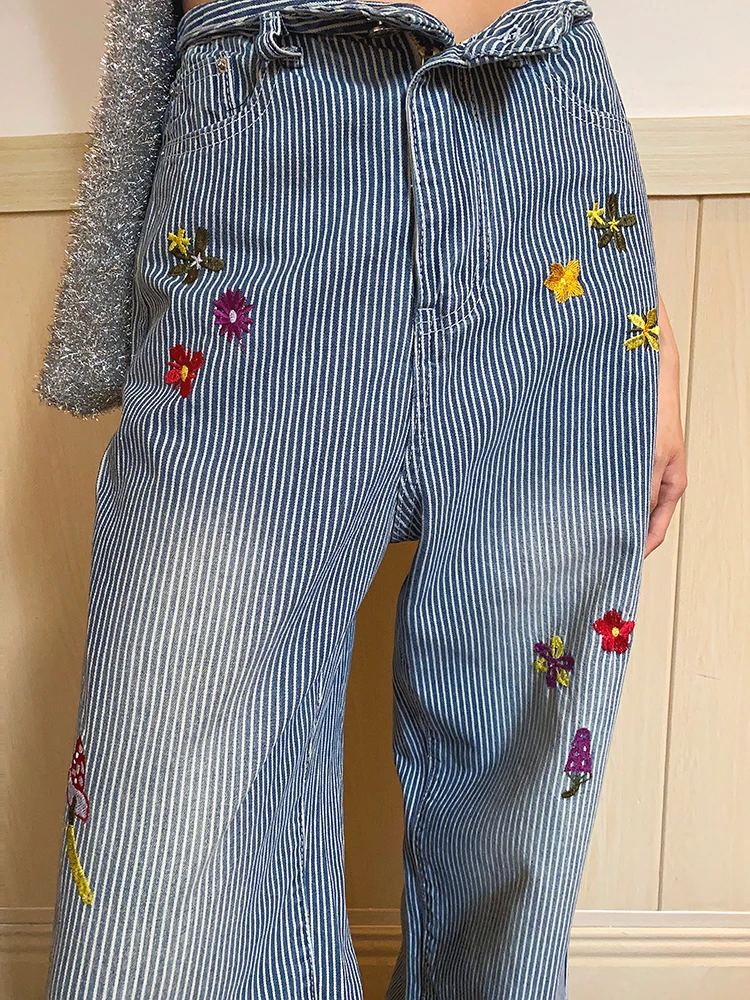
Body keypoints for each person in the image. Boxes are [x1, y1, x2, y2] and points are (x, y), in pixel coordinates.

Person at [40, 2, 687, 999]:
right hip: (271, 156)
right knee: (163, 850)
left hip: (550, 164)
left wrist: (652, 331)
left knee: (517, 836)